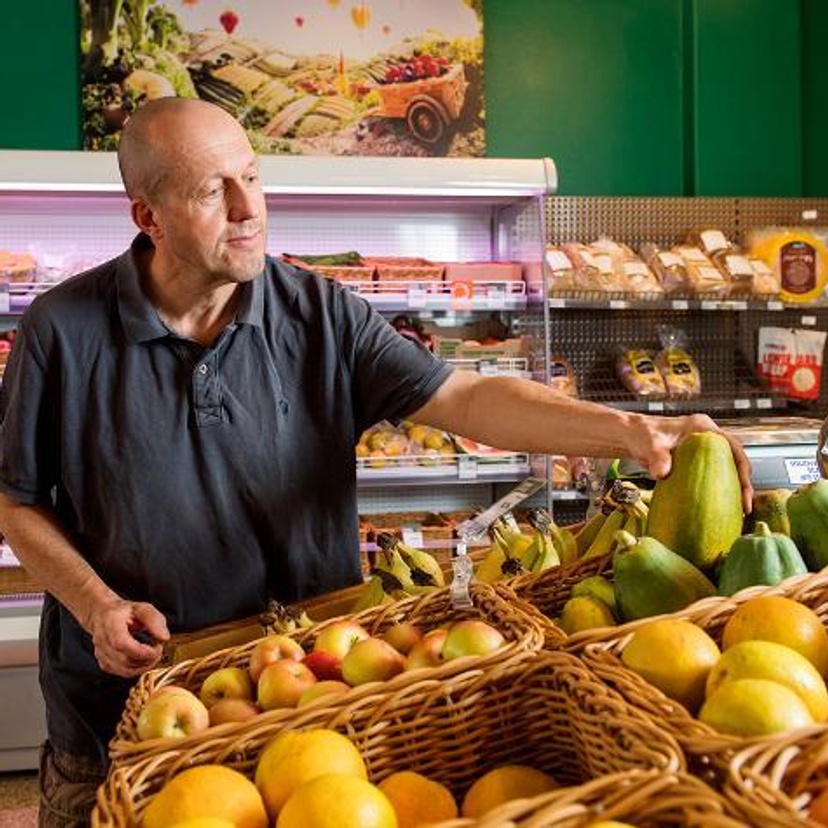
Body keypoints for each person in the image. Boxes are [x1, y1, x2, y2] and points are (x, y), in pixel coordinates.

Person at [0, 97, 752, 827]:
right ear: (148, 217)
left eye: (252, 177)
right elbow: (17, 500)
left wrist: (629, 430)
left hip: (304, 694)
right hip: (122, 713)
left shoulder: (319, 314)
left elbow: (465, 395)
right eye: (210, 190)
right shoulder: (61, 331)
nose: (247, 206)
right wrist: (97, 606)